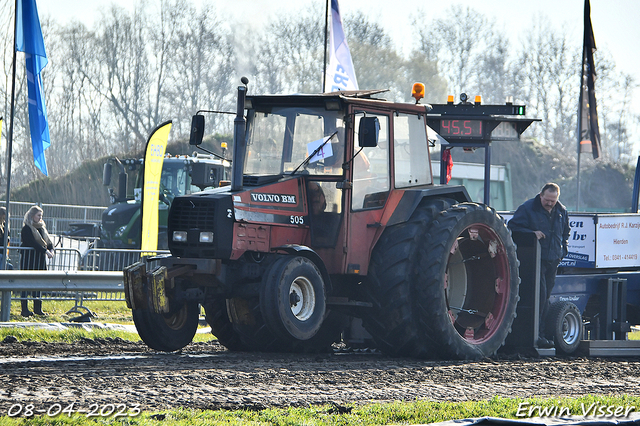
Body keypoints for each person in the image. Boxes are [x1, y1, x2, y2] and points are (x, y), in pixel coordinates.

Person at [508, 183, 570, 349]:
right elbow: (512, 228)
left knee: (547, 297)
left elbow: (566, 232)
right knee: (540, 296)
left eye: (553, 201)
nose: (550, 203)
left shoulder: (561, 211)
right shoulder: (528, 208)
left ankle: (543, 334)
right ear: (541, 195)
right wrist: (532, 234)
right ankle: (537, 335)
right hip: (535, 260)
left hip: (553, 259)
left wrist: (563, 250)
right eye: (547, 200)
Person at [20, 205, 55, 317]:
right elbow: (31, 243)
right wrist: (45, 251)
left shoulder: (42, 228)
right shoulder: (26, 228)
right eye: (38, 215)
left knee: (38, 284)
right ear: (32, 215)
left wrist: (51, 250)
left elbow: (48, 242)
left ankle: (37, 308)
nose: (40, 218)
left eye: (41, 215)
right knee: (25, 284)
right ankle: (24, 309)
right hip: (28, 260)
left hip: (39, 260)